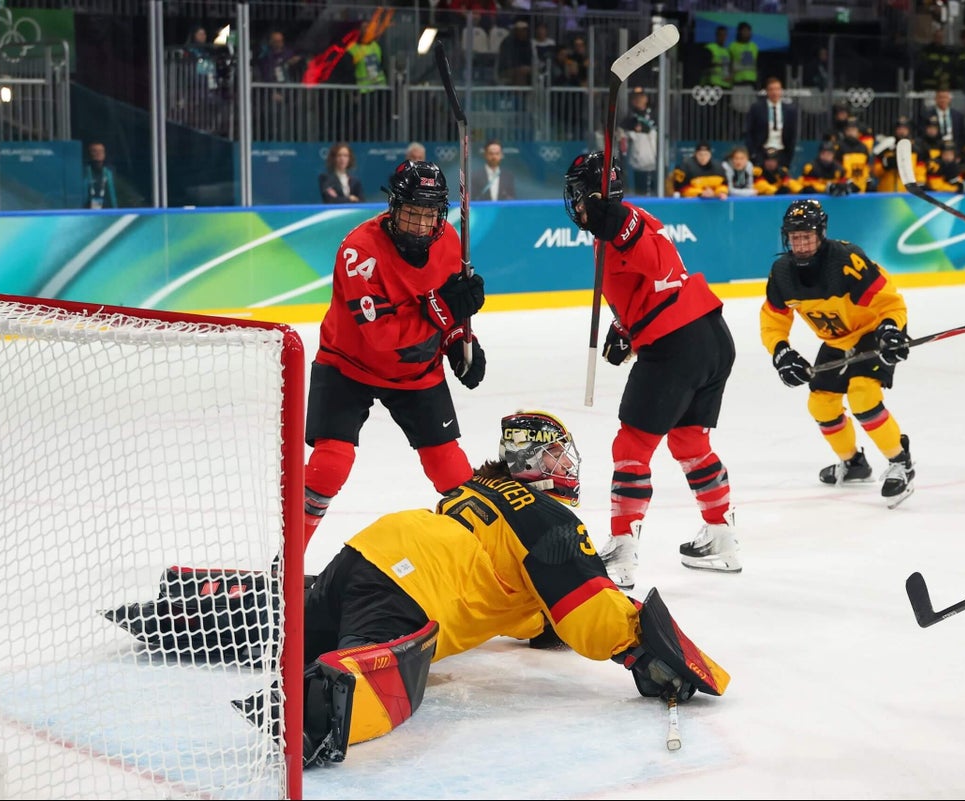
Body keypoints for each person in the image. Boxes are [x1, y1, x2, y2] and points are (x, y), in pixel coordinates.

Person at [198, 411, 727, 766]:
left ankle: (191, 612)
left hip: (371, 551)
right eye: (558, 456)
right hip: (411, 589)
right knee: (382, 667)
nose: (565, 466)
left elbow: (513, 595)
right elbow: (588, 609)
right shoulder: (549, 520)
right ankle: (313, 708)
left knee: (285, 626)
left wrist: (545, 627)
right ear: (540, 463)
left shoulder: (476, 486)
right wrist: (640, 651)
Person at [563, 152, 741, 590]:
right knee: (690, 440)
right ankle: (721, 536)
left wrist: (619, 221)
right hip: (710, 336)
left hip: (676, 344)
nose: (575, 205)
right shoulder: (618, 228)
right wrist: (625, 327)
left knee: (632, 444)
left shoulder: (624, 224)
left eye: (579, 196)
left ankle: (622, 550)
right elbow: (653, 279)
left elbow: (651, 257)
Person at [302, 161, 486, 546]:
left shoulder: (450, 241)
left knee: (451, 469)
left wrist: (457, 340)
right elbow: (382, 336)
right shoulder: (359, 252)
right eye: (412, 214)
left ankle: (484, 555)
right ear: (393, 208)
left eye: (429, 215)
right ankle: (288, 559)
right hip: (347, 363)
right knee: (330, 463)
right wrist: (445, 312)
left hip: (417, 371)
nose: (420, 225)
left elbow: (447, 309)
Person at [762, 199, 916, 508]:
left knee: (863, 396)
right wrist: (781, 352)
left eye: (807, 236)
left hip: (872, 331)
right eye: (795, 237)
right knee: (820, 404)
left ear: (820, 234)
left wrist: (890, 330)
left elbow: (890, 303)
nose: (801, 244)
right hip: (836, 339)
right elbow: (773, 319)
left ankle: (901, 463)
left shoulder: (845, 260)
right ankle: (854, 463)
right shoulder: (782, 272)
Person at [745, 76, 798, 170]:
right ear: (767, 91)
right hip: (761, 152)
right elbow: (749, 131)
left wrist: (789, 157)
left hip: (781, 153)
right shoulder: (757, 108)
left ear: (781, 91)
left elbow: (792, 135)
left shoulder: (790, 110)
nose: (774, 92)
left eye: (777, 89)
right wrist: (753, 153)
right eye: (771, 89)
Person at [618, 87, 658, 196]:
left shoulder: (655, 114)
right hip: (639, 161)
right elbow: (623, 130)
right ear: (632, 101)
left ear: (646, 98)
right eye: (636, 98)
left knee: (656, 188)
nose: (639, 100)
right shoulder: (630, 117)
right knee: (640, 189)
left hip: (656, 159)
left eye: (641, 97)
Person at [83, 141, 118, 209]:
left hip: (107, 210)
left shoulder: (110, 173)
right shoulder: (84, 172)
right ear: (89, 154)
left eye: (101, 151)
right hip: (87, 211)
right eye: (95, 151)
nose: (98, 154)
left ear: (104, 154)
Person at [699, 24, 731, 89]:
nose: (722, 37)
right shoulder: (710, 48)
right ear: (717, 35)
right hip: (711, 84)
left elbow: (729, 67)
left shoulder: (727, 51)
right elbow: (704, 65)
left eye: (724, 35)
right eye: (720, 35)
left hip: (725, 85)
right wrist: (718, 64)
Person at [728, 21, 759, 89]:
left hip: (751, 81)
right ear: (739, 32)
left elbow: (749, 63)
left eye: (748, 31)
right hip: (737, 81)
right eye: (744, 31)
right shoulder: (732, 46)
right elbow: (728, 64)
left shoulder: (753, 46)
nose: (746, 33)